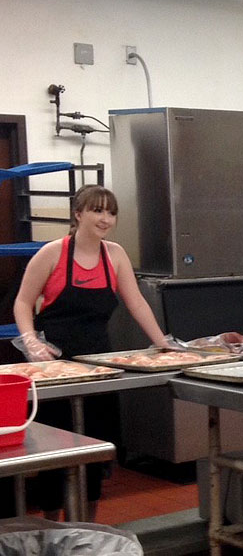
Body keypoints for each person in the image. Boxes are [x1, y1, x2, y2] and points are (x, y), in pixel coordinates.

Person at [11, 185, 170, 520]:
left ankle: (86, 529)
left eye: (111, 212)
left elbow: (136, 302)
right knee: (53, 455)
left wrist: (163, 343)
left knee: (95, 452)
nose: (105, 219)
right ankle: (51, 533)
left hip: (98, 366)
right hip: (55, 368)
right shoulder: (53, 253)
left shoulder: (115, 255)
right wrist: (32, 342)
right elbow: (23, 302)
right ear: (78, 213)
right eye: (97, 210)